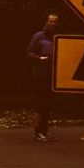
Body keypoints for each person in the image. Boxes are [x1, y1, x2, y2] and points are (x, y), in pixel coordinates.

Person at [27, 13, 58, 141]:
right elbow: (29, 53)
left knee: (48, 104)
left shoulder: (57, 37)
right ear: (46, 22)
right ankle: (37, 132)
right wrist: (39, 58)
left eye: (55, 22)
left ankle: (45, 131)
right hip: (39, 75)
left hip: (52, 76)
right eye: (51, 21)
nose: (53, 24)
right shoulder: (38, 36)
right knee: (39, 104)